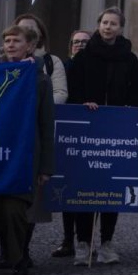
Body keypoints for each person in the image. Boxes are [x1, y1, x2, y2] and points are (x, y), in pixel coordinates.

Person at [0, 25, 54, 275]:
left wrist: (45, 167)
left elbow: (46, 124)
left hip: (23, 157)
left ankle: (17, 259)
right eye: (6, 40)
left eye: (16, 41)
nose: (10, 45)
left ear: (29, 46)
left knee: (13, 211)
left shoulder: (39, 79)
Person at [65, 6, 138, 266]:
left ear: (121, 28)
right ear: (98, 25)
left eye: (113, 24)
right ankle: (83, 243)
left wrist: (130, 109)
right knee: (86, 187)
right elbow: (72, 91)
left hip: (117, 130)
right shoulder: (84, 57)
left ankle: (107, 243)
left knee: (112, 187)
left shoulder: (129, 59)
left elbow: (137, 91)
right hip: (88, 129)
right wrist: (83, 103)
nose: (108, 27)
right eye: (104, 23)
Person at [51, 29, 92, 259]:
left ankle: (84, 239)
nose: (80, 45)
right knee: (68, 187)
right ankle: (68, 239)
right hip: (65, 132)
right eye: (76, 42)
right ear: (70, 46)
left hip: (88, 131)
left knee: (87, 189)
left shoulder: (92, 68)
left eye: (85, 42)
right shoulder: (62, 68)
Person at [16, 12, 69, 107]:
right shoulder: (4, 60)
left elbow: (60, 93)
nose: (26, 32)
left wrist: (36, 108)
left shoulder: (52, 61)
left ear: (40, 34)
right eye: (21, 29)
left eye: (30, 28)